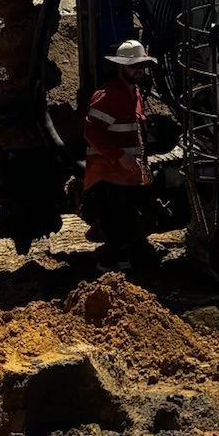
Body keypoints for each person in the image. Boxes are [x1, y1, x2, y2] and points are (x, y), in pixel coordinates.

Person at [82, 39, 157, 268]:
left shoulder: (134, 93)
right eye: (133, 66)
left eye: (141, 65)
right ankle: (112, 272)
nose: (139, 70)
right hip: (110, 174)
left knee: (132, 223)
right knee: (117, 227)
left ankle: (131, 258)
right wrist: (119, 157)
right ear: (120, 67)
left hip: (128, 175)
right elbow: (91, 132)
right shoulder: (108, 95)